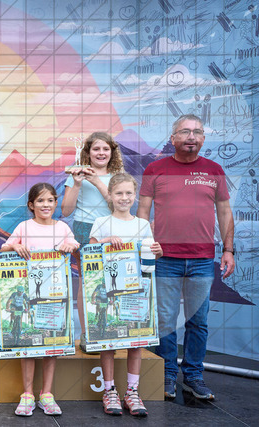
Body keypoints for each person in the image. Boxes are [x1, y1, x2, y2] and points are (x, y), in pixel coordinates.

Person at [137, 114, 235, 401]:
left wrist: (228, 250)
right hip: (164, 258)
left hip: (202, 259)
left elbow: (224, 212)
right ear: (173, 138)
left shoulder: (214, 170)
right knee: (165, 320)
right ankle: (166, 375)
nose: (191, 136)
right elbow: (142, 213)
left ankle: (193, 376)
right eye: (185, 131)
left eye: (197, 132)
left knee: (198, 321)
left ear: (203, 138)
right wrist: (143, 246)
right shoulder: (154, 169)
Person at [0, 183, 79, 416]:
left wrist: (70, 245)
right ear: (31, 205)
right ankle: (27, 394)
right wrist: (15, 246)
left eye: (50, 200)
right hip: (29, 295)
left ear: (56, 203)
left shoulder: (62, 227)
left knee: (51, 344)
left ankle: (47, 393)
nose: (46, 205)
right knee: (28, 344)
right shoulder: (24, 227)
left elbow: (75, 245)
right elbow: (4, 247)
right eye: (40, 201)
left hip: (54, 295)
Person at [89, 173, 163, 416]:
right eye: (119, 193)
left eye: (128, 193)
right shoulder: (101, 222)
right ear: (110, 195)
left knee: (135, 343)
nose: (124, 197)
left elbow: (149, 258)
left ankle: (132, 391)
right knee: (108, 342)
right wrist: (104, 242)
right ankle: (109, 390)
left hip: (135, 293)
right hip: (109, 292)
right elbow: (89, 255)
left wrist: (158, 251)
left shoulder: (142, 224)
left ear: (135, 195)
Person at [61, 132, 124, 342]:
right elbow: (66, 211)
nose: (101, 153)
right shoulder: (75, 175)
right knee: (87, 282)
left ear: (112, 152)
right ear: (88, 152)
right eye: (96, 149)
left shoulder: (118, 177)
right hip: (84, 229)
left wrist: (97, 181)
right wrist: (78, 184)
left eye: (106, 149)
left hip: (113, 230)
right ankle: (86, 334)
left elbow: (118, 206)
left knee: (113, 281)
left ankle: (110, 331)